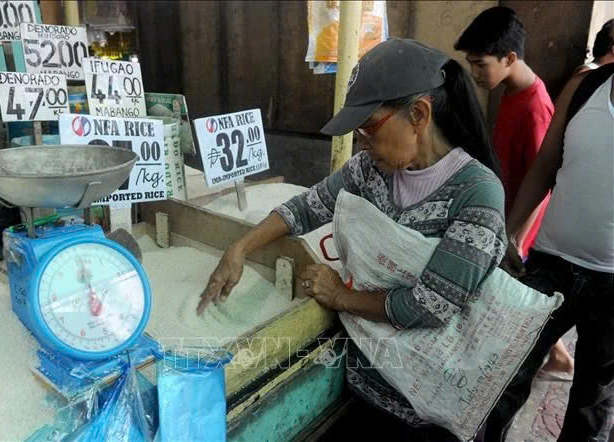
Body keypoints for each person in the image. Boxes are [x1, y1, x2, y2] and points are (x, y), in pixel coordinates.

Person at [197, 38, 506, 441]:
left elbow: (429, 306)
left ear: (418, 114)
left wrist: (339, 296)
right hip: (365, 390)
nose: (360, 145)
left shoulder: (477, 194)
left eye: (368, 130)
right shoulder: (369, 170)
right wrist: (239, 248)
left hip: (430, 414)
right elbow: (307, 207)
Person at [483, 65, 614, 441]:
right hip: (550, 264)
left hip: (612, 285)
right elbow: (546, 164)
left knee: (593, 402)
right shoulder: (587, 86)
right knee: (502, 377)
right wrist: (509, 234)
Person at [454, 6, 574, 380]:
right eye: (470, 64)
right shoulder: (510, 90)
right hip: (507, 215)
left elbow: (543, 182)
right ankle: (559, 359)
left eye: (480, 64)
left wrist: (515, 239)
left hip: (522, 229)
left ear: (509, 58)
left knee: (514, 304)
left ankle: (549, 362)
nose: (474, 73)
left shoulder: (537, 105)